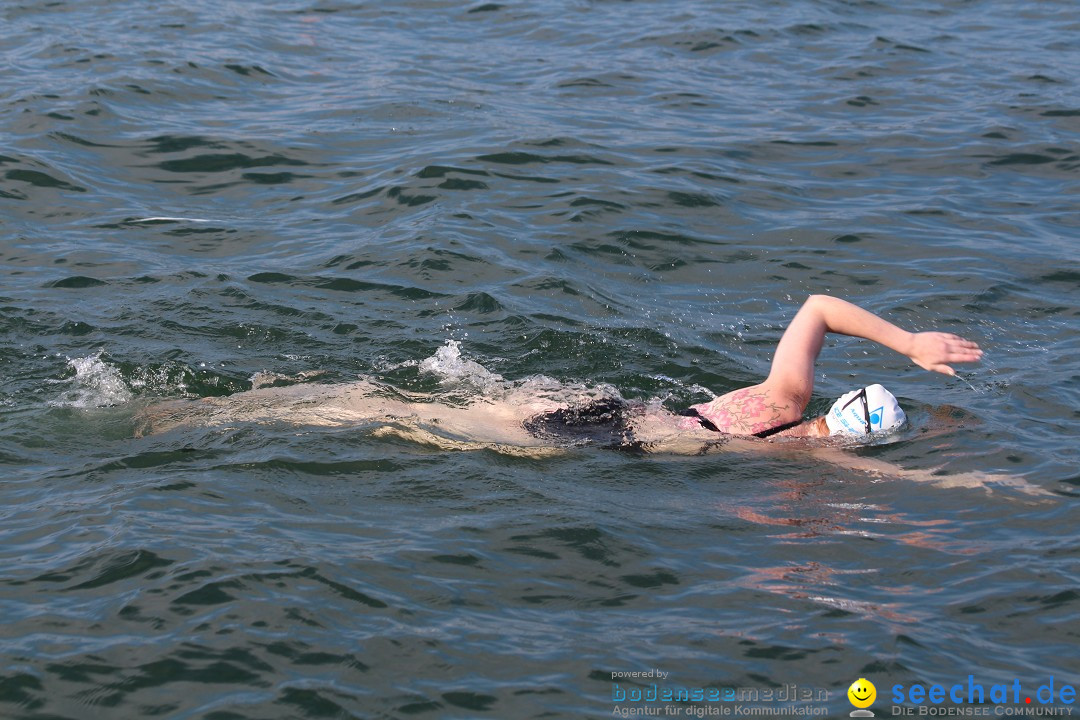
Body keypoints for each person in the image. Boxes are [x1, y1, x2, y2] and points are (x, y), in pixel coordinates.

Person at [137, 295, 982, 453]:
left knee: (389, 400)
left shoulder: (783, 399)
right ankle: (205, 420)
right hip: (591, 437)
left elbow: (819, 305)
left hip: (596, 404)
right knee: (393, 422)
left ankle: (233, 404)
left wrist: (907, 344)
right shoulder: (802, 462)